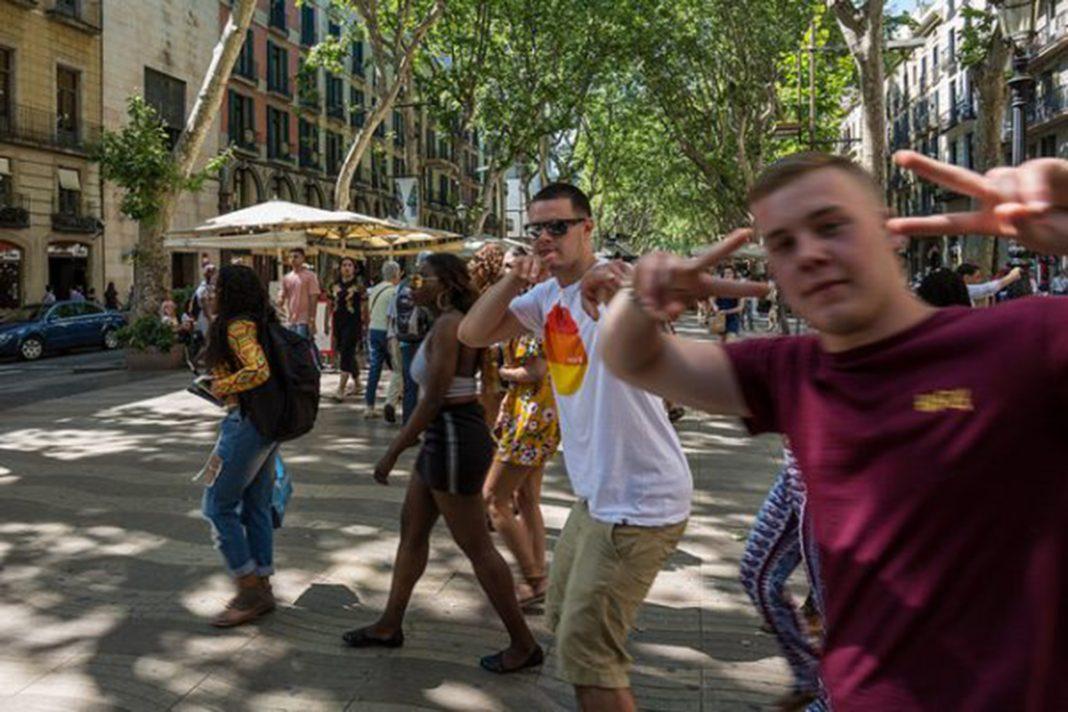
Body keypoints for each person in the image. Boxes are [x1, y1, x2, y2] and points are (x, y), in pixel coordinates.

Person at [596, 151, 1068, 710]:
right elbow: (635, 360)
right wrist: (640, 297)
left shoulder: (1026, 341)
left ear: (890, 230)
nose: (811, 254)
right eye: (783, 243)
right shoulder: (790, 371)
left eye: (830, 226)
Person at [458, 184, 759, 711]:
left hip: (639, 501)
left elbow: (634, 297)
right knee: (562, 622)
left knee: (589, 657)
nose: (544, 239)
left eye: (558, 227)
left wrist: (628, 286)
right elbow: (472, 331)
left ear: (587, 228)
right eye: (536, 229)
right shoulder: (545, 296)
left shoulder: (612, 284)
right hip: (596, 499)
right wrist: (513, 275)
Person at [342, 253, 543, 675]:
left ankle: (524, 643)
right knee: (412, 532)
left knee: (477, 546)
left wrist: (393, 450)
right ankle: (389, 624)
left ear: (446, 285)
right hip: (444, 437)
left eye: (423, 278)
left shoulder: (451, 325)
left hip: (453, 436)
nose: (414, 284)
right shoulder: (445, 321)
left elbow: (434, 398)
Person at [199, 264, 281, 628]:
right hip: (266, 422)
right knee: (257, 505)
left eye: (217, 287)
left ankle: (248, 587)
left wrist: (223, 385)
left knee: (216, 505)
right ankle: (262, 580)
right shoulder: (261, 320)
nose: (212, 292)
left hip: (245, 422)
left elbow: (258, 370)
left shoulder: (237, 325)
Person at [482, 245, 560, 609]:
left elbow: (536, 371)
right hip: (532, 410)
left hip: (534, 413)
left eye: (515, 267)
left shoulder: (535, 308)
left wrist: (498, 374)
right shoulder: (534, 304)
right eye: (505, 267)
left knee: (494, 498)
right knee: (527, 498)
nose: (508, 273)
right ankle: (539, 575)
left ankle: (534, 577)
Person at [739, 447, 825, 711]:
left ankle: (828, 695)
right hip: (796, 471)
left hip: (833, 483)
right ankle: (809, 676)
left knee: (838, 611)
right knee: (757, 575)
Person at [389, 252, 433, 424]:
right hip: (423, 339)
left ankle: (408, 425)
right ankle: (421, 424)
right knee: (426, 383)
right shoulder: (427, 283)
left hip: (404, 338)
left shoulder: (404, 284)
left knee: (409, 384)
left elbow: (393, 312)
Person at [364, 260, 402, 420]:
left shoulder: (375, 289)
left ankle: (369, 406)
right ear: (396, 274)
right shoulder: (394, 291)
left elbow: (368, 310)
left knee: (374, 369)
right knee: (398, 369)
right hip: (387, 333)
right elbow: (393, 315)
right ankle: (393, 400)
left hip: (373, 330)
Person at [326, 257, 367, 403]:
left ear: (354, 268)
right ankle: (358, 384)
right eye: (344, 265)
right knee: (345, 352)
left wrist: (366, 323)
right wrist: (326, 322)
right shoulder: (334, 285)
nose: (347, 268)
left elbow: (364, 306)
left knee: (346, 353)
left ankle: (340, 389)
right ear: (340, 268)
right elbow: (330, 304)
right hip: (338, 323)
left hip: (353, 323)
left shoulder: (359, 285)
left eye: (350, 265)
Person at [278, 247, 321, 339]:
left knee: (301, 346)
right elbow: (282, 295)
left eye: (296, 257)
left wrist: (312, 319)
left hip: (304, 320)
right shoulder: (287, 277)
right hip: (290, 320)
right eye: (291, 257)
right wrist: (280, 302)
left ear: (303, 259)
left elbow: (313, 297)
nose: (293, 259)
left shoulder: (310, 276)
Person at [956, 262, 1021, 306]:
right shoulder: (960, 289)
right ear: (966, 278)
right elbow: (986, 289)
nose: (980, 281)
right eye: (977, 277)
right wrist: (1012, 276)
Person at [713, 266, 745, 342]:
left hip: (733, 319)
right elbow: (711, 298)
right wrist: (714, 306)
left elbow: (740, 307)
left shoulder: (740, 288)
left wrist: (726, 312)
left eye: (730, 273)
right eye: (725, 273)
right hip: (720, 317)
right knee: (720, 343)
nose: (727, 275)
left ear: (734, 275)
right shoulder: (718, 287)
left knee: (730, 342)